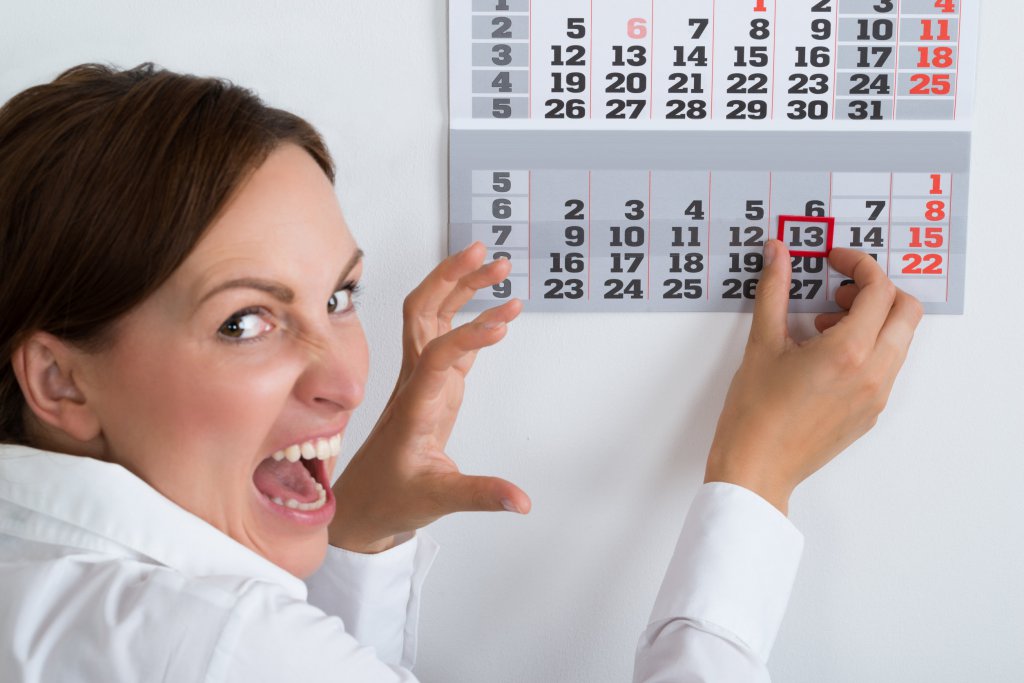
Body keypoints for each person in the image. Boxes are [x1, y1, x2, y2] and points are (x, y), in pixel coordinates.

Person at [0, 63, 922, 682]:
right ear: (59, 382)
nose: (346, 382)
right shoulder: (224, 643)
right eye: (245, 321)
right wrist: (756, 478)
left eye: (340, 295)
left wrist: (357, 535)